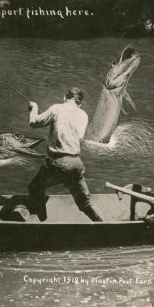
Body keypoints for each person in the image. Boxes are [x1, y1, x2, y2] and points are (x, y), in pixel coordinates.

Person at [26, 87, 103, 222]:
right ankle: (103, 225)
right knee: (85, 203)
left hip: (59, 164)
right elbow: (69, 131)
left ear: (64, 98)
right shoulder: (83, 115)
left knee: (35, 188)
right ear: (80, 104)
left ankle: (42, 222)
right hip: (76, 164)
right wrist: (49, 117)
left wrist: (34, 108)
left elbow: (34, 123)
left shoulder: (57, 108)